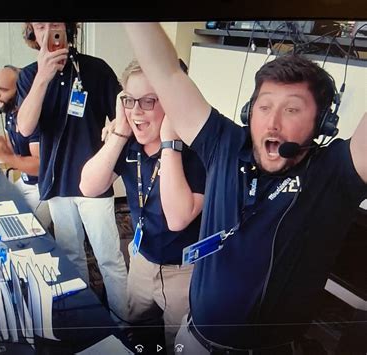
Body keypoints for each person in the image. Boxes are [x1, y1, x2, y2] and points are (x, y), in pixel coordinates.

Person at [124, 23, 367, 354]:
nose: (273, 121)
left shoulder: (335, 172)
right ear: (249, 113)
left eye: (292, 109)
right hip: (192, 338)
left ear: (321, 123)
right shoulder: (224, 144)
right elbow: (166, 73)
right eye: (264, 107)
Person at [80, 59, 205, 351]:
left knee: (179, 343)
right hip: (141, 261)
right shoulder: (129, 142)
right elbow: (89, 186)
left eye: (149, 100)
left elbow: (178, 218)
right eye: (129, 100)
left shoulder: (198, 150)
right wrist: (120, 132)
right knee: (139, 334)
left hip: (184, 272)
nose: (136, 110)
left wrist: (169, 144)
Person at [16, 22, 129, 324]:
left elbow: (124, 119)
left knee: (109, 259)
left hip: (94, 183)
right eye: (40, 26)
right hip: (56, 182)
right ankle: (87, 319)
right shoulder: (29, 76)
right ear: (32, 34)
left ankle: (124, 324)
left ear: (67, 28)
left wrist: (114, 169)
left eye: (55, 24)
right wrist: (43, 76)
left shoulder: (96, 69)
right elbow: (25, 128)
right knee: (71, 256)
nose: (49, 32)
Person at [0, 65, 52, 229]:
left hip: (42, 188)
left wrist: (6, 158)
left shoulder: (33, 120)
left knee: (19, 229)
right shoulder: (11, 112)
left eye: (3, 90)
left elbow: (40, 166)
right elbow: (9, 145)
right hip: (26, 182)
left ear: (20, 92)